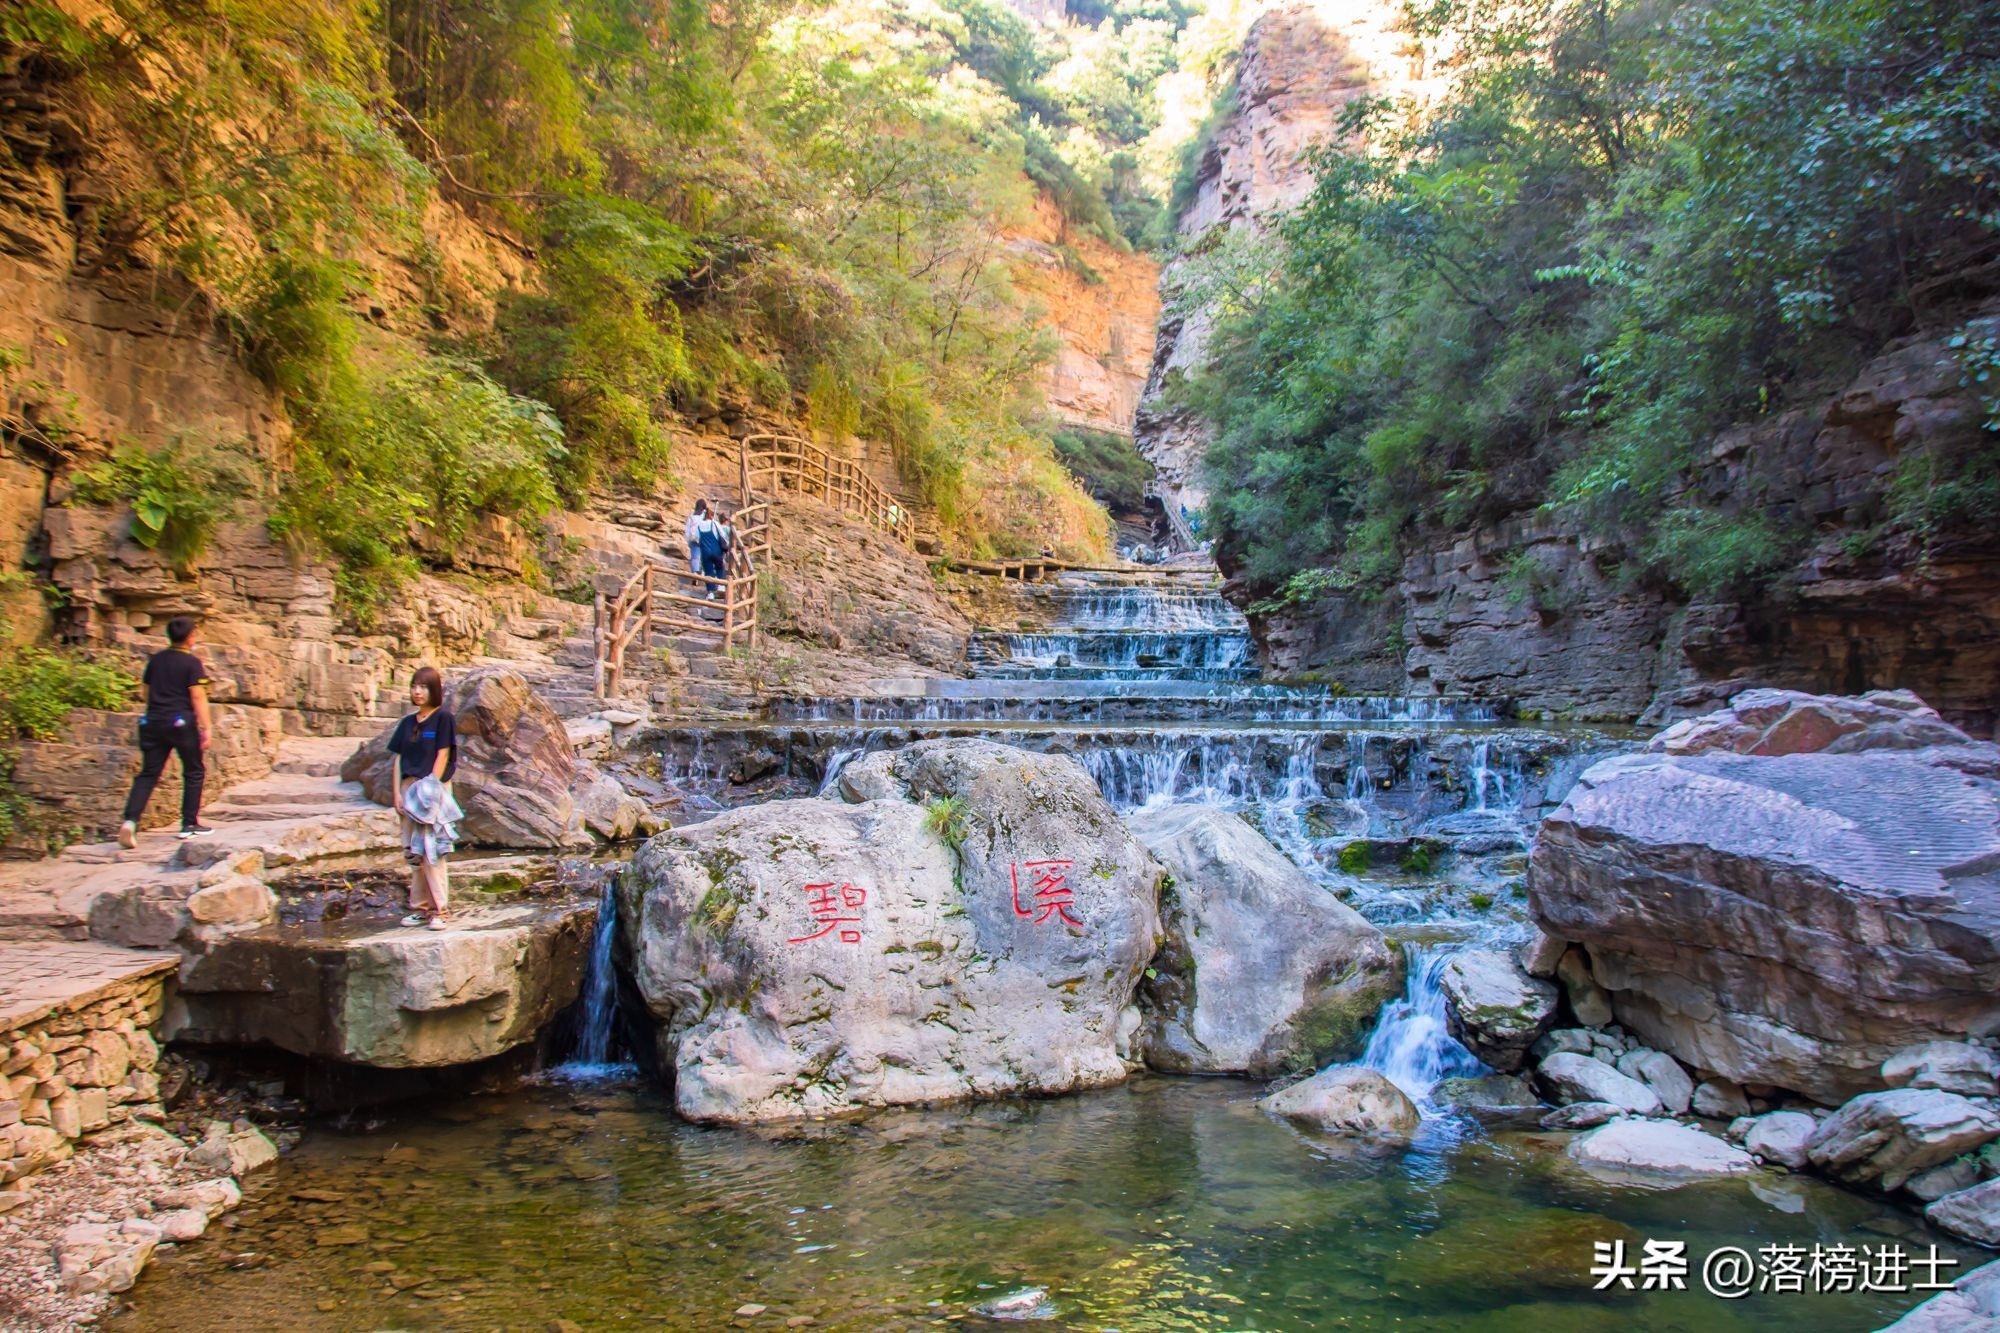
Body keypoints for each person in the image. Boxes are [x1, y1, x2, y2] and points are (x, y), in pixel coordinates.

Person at [117, 615, 213, 847]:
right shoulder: (191, 663)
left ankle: (130, 821)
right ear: (190, 637)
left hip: (152, 722)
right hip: (180, 723)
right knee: (194, 771)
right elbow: (197, 695)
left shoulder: (156, 661)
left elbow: (145, 692)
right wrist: (206, 726)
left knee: (149, 773)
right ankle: (189, 824)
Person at [387, 666, 459, 930]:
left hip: (431, 790)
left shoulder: (443, 719)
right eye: (414, 686)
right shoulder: (407, 723)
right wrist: (397, 793)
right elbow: (398, 759)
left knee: (432, 849)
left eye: (423, 687)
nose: (417, 691)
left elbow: (443, 754)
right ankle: (420, 907)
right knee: (414, 851)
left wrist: (430, 787)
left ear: (434, 690)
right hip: (409, 788)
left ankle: (440, 909)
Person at [683, 498, 708, 575]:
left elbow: (687, 529)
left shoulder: (692, 516)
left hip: (694, 538)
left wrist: (688, 540)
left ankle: (695, 572)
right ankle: (702, 572)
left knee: (695, 556)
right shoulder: (704, 516)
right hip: (703, 538)